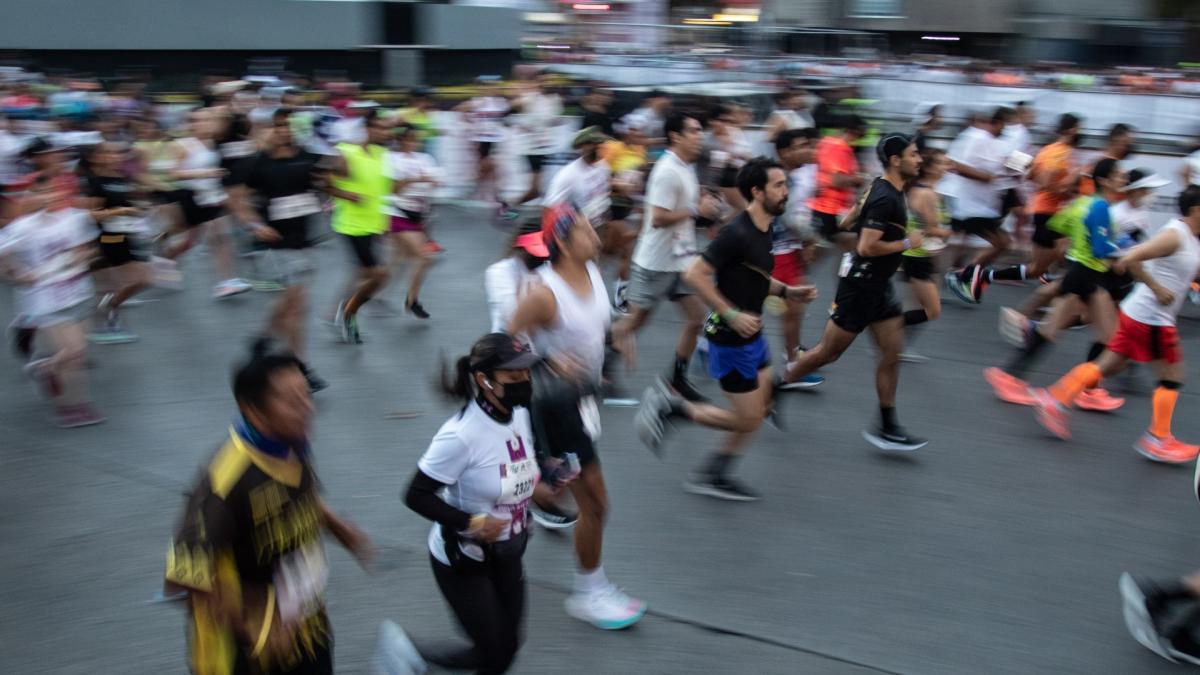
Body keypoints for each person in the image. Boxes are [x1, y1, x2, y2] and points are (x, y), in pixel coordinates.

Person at [164, 341, 372, 675]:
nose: (308, 408)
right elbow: (184, 575)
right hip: (243, 655)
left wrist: (336, 525)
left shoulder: (291, 444)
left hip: (305, 629)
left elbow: (297, 495)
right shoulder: (224, 481)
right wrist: (251, 621)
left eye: (307, 395)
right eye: (292, 402)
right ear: (252, 409)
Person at [636, 158, 817, 500]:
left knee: (760, 409)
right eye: (779, 185)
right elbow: (693, 275)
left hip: (753, 335)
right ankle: (673, 408)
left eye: (785, 184)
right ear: (756, 191)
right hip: (731, 340)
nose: (786, 191)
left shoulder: (765, 229)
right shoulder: (738, 232)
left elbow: (756, 277)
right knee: (748, 419)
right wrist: (730, 313)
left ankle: (715, 473)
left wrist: (786, 291)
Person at [508, 204, 646, 630]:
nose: (596, 232)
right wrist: (547, 364)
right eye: (586, 228)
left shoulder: (591, 272)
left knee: (563, 492)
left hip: (583, 403)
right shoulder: (544, 294)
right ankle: (589, 592)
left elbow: (594, 324)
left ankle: (524, 488)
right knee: (597, 504)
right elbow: (503, 345)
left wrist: (618, 334)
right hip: (554, 410)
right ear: (564, 242)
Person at [400, 333, 546, 674]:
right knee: (493, 652)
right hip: (462, 560)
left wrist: (547, 485)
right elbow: (415, 495)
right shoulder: (461, 436)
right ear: (484, 379)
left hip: (508, 551)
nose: (525, 381)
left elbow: (516, 474)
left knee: (507, 647)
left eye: (527, 373)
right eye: (514, 376)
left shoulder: (519, 415)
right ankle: (414, 660)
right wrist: (471, 522)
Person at [778, 135, 928, 451]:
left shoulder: (882, 187)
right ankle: (773, 389)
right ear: (896, 160)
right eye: (914, 154)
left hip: (879, 285)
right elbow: (866, 246)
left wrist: (858, 218)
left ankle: (886, 427)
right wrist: (906, 243)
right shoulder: (886, 196)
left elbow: (848, 220)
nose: (920, 159)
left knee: (892, 352)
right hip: (861, 284)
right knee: (826, 354)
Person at [1030, 186, 1200, 462]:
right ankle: (1158, 438)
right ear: (1196, 210)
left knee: (1108, 364)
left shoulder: (1191, 237)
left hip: (1142, 315)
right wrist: (1157, 288)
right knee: (1172, 376)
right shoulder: (1175, 235)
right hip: (1152, 318)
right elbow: (1130, 259)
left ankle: (1056, 397)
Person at [984, 158, 1128, 412]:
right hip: (1086, 274)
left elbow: (1055, 228)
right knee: (1093, 335)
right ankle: (1011, 377)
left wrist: (1073, 245)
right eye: (1119, 175)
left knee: (1102, 336)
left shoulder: (1082, 203)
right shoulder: (1100, 207)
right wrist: (1127, 253)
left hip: (1083, 273)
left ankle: (1086, 389)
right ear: (1105, 180)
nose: (1123, 179)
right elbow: (1099, 248)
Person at [612, 113, 722, 403]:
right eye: (695, 130)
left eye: (700, 130)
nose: (700, 135)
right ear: (676, 136)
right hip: (655, 263)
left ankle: (676, 380)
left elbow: (685, 210)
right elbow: (659, 218)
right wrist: (697, 211)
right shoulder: (667, 171)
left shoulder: (686, 167)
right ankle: (599, 358)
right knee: (634, 323)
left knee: (697, 318)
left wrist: (705, 206)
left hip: (680, 261)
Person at [227, 108, 331, 392]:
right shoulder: (256, 163)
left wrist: (328, 186)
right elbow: (236, 200)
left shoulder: (307, 157)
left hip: (304, 240)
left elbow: (328, 179)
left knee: (292, 302)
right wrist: (254, 224)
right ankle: (300, 366)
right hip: (273, 242)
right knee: (298, 304)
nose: (283, 131)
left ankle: (262, 338)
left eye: (288, 126)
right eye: (278, 126)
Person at [0, 174, 104, 427]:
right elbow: (4, 257)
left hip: (78, 292)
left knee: (77, 356)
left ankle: (76, 404)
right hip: (45, 299)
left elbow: (88, 249)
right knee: (73, 350)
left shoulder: (72, 218)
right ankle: (53, 384)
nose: (51, 196)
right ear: (32, 196)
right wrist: (18, 275)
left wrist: (80, 258)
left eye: (54, 191)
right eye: (42, 192)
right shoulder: (23, 226)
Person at [162, 107, 251, 299]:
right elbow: (173, 173)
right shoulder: (182, 145)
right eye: (198, 120)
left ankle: (227, 281)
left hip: (212, 196)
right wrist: (205, 173)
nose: (204, 124)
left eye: (207, 120)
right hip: (190, 196)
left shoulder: (214, 143)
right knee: (187, 242)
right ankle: (159, 265)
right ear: (191, 124)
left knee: (220, 236)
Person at [944, 107, 1021, 304]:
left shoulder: (996, 143)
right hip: (971, 207)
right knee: (1002, 243)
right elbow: (957, 165)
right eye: (1008, 123)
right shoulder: (978, 138)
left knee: (1000, 244)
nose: (1011, 128)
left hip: (986, 207)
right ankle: (960, 276)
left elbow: (1007, 166)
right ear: (999, 122)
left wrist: (1018, 169)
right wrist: (986, 177)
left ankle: (959, 274)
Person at [329, 109, 391, 344]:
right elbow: (323, 181)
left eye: (386, 128)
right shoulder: (346, 151)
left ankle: (335, 313)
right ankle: (348, 313)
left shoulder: (382, 154)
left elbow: (383, 189)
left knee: (363, 275)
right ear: (367, 129)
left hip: (372, 225)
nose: (385, 132)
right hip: (351, 225)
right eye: (380, 128)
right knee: (380, 276)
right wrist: (346, 194)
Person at [82, 141, 153, 344]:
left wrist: (139, 207)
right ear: (97, 157)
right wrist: (121, 211)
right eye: (108, 153)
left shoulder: (123, 176)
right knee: (138, 279)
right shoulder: (95, 181)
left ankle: (109, 313)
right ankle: (108, 316)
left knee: (138, 280)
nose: (115, 156)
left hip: (127, 234)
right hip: (108, 237)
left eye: (117, 152)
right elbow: (92, 215)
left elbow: (133, 199)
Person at [771, 127, 824, 384]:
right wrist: (811, 238)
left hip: (787, 248)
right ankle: (792, 367)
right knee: (793, 308)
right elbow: (789, 217)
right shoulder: (780, 178)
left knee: (793, 308)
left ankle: (792, 357)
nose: (808, 150)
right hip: (777, 250)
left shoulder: (789, 176)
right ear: (784, 151)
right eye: (801, 145)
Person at [897, 147, 954, 362]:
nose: (946, 167)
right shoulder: (926, 193)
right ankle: (888, 327)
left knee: (917, 304)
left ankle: (899, 346)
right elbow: (929, 228)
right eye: (941, 163)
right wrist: (951, 231)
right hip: (918, 255)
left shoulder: (927, 190)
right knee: (932, 308)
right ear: (929, 168)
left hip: (922, 253)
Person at [382, 124, 439, 319]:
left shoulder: (425, 158)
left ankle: (374, 291)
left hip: (418, 212)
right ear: (400, 140)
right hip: (397, 211)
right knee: (425, 257)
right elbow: (393, 188)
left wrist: (423, 180)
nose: (413, 142)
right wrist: (414, 180)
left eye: (416, 139)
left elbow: (435, 181)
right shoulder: (391, 159)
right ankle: (412, 300)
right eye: (409, 138)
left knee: (396, 260)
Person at [808, 115, 866, 255]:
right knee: (848, 241)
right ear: (853, 131)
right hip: (829, 209)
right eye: (859, 135)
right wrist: (857, 180)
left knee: (844, 243)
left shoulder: (827, 143)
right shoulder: (838, 148)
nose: (858, 140)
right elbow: (837, 181)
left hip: (830, 208)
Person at [512, 73, 562, 208]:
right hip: (531, 149)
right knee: (534, 190)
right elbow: (514, 105)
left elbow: (553, 119)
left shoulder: (556, 100)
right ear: (538, 83)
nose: (548, 83)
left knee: (541, 190)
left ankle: (542, 221)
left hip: (546, 148)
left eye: (550, 80)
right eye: (544, 80)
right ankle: (508, 213)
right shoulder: (531, 98)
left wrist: (556, 122)